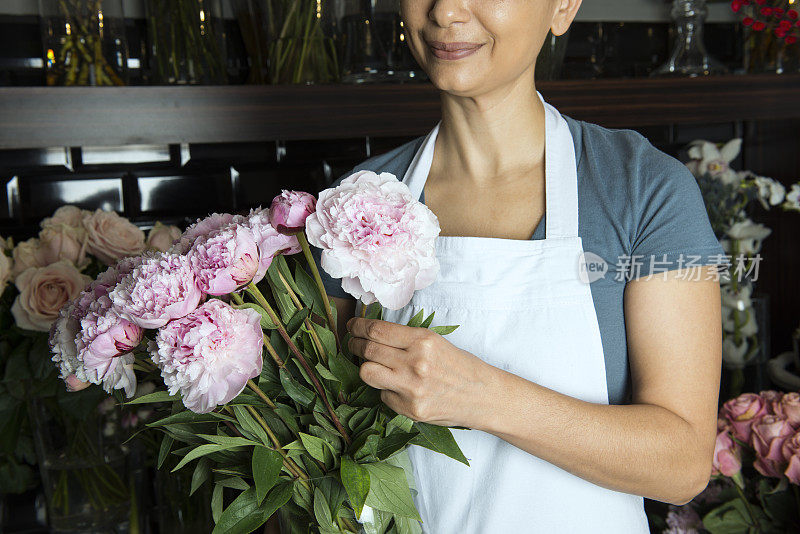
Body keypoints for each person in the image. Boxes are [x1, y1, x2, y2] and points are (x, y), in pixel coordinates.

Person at [310, 1, 726, 532]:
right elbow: (323, 437)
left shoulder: (644, 189)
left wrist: (481, 395)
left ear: (562, 7)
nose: (446, 11)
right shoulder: (353, 207)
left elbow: (682, 465)